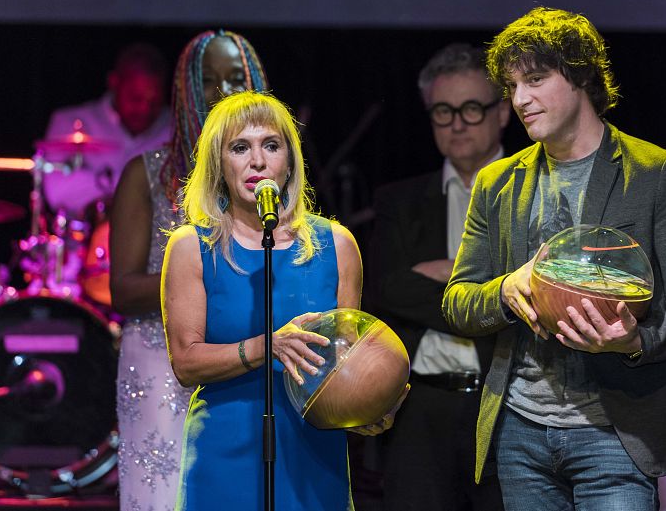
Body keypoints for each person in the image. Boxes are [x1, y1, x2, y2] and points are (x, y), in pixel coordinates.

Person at [441, 7, 666, 510]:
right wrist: (505, 291)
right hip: (521, 430)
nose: (520, 100)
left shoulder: (658, 173)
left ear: (581, 74)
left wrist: (638, 339)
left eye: (535, 79)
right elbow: (459, 300)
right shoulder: (497, 182)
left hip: (617, 432)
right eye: (512, 86)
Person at [161, 91, 402, 510]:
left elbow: (352, 356)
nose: (257, 161)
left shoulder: (337, 244)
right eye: (240, 147)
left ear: (289, 160)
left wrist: (376, 399)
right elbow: (185, 362)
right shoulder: (190, 247)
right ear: (220, 163)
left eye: (271, 145)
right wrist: (268, 345)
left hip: (313, 454)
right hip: (223, 452)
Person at [110, 30, 268, 511]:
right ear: (185, 89)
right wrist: (198, 276)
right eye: (208, 80)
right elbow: (122, 289)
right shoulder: (149, 173)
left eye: (235, 79)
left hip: (249, 357)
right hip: (162, 363)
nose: (223, 92)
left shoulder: (272, 176)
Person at [369, 43, 507, 511]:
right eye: (443, 112)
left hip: (508, 408)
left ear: (503, 112)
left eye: (471, 108)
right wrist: (491, 293)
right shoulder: (398, 201)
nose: (457, 123)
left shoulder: (538, 193)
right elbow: (387, 291)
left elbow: (543, 297)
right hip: (418, 411)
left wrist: (444, 276)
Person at [43, 42, 172, 215]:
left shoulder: (177, 128)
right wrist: (141, 190)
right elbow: (58, 191)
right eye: (135, 98)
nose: (144, 109)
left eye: (154, 101)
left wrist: (95, 182)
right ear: (114, 83)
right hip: (84, 238)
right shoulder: (69, 121)